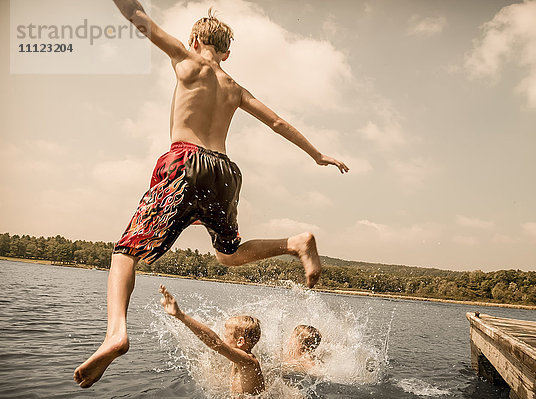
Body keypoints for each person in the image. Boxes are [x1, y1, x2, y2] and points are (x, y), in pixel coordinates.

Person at [73, 0, 348, 388]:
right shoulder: (234, 87)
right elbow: (278, 122)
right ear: (227, 52)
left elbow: (136, 16)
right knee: (227, 254)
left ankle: (115, 332)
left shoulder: (186, 59)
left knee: (125, 252)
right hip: (224, 171)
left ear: (194, 39)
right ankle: (295, 242)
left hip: (185, 163)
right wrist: (318, 155)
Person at [158, 285, 265, 395]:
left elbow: (216, 343)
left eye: (226, 336)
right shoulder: (240, 360)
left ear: (240, 341)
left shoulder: (248, 361)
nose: (223, 339)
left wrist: (180, 315)